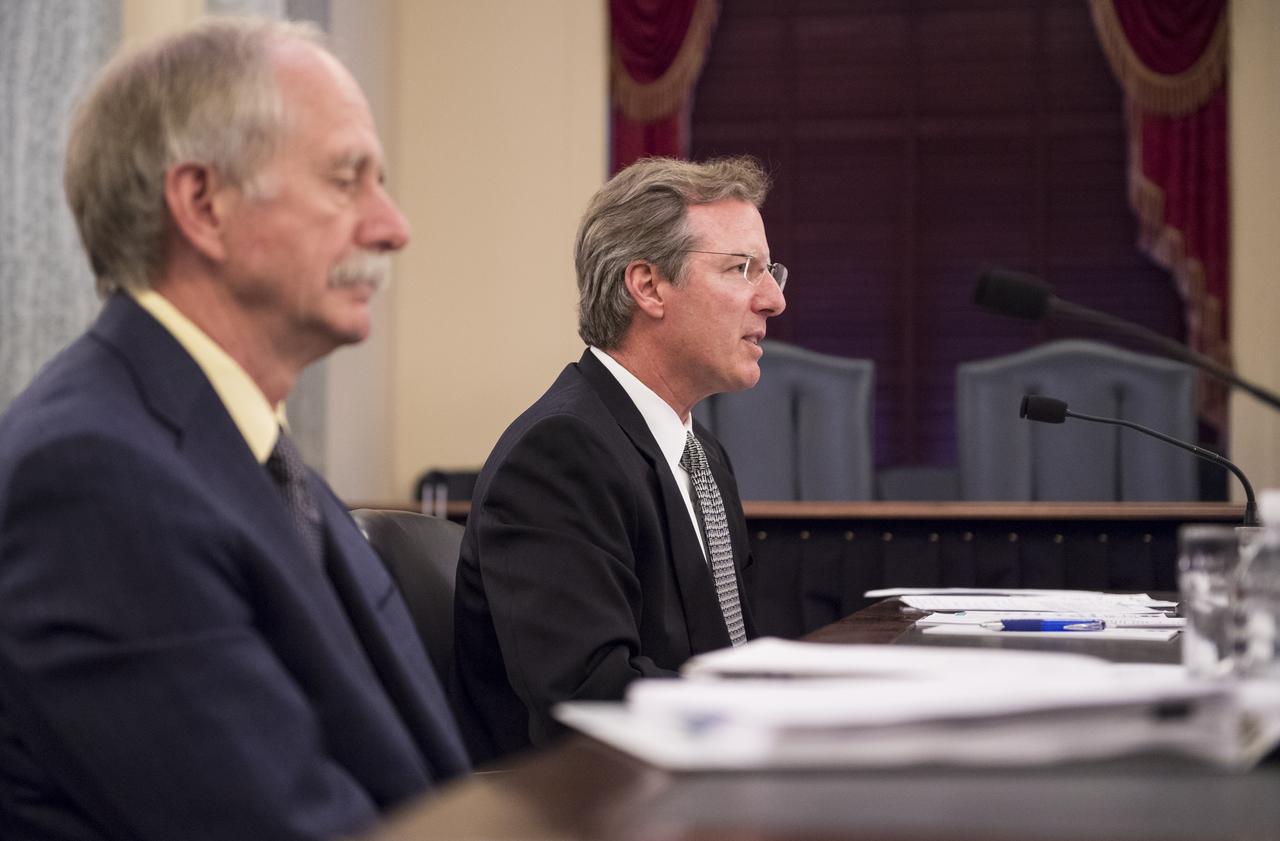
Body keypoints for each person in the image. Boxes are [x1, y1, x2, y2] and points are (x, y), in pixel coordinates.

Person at [0, 17, 468, 841]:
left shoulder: (265, 461)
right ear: (204, 205)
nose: (394, 226)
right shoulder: (92, 476)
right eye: (346, 179)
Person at [452, 156, 788, 761]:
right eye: (742, 269)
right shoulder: (559, 454)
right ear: (649, 286)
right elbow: (588, 696)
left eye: (772, 272)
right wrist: (767, 721)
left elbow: (724, 660)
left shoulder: (701, 454)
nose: (772, 300)